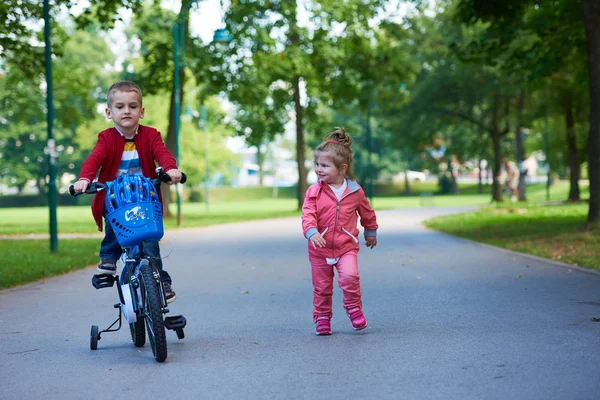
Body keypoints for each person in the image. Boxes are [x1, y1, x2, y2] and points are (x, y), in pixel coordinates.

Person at [72, 81, 182, 303]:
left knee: (150, 245)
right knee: (114, 222)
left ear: (141, 112)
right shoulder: (106, 138)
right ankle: (108, 258)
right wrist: (85, 178)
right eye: (120, 106)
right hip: (115, 198)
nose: (126, 111)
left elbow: (162, 153)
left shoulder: (151, 135)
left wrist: (170, 169)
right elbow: (94, 159)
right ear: (109, 112)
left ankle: (161, 283)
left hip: (144, 198)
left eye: (132, 106)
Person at [301, 127, 378, 335]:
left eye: (324, 165)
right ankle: (322, 318)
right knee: (322, 287)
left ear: (342, 169)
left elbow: (366, 211)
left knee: (350, 277)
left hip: (346, 246)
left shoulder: (354, 191)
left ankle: (354, 309)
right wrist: (311, 231)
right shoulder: (314, 191)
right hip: (319, 248)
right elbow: (307, 214)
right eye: (317, 164)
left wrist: (370, 230)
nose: (319, 169)